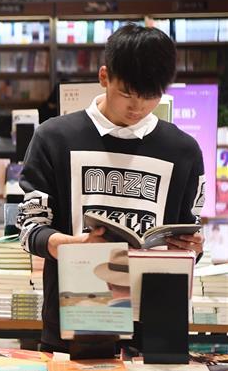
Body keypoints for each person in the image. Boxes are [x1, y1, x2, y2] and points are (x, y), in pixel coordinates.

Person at [17, 23, 205, 352]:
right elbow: (29, 229)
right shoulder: (54, 138)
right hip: (74, 320)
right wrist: (72, 247)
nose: (138, 107)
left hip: (156, 324)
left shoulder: (183, 150)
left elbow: (189, 235)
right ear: (104, 77)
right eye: (127, 93)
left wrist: (193, 247)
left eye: (150, 96)